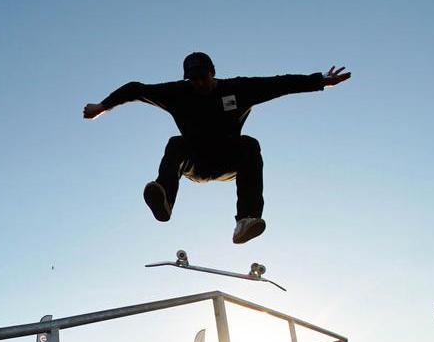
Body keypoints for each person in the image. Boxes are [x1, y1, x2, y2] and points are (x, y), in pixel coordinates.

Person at [82, 52, 351, 244]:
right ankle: (165, 200)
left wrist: (320, 80)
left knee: (250, 145)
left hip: (227, 160)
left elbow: (279, 84)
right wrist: (102, 107)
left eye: (202, 77)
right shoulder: (177, 93)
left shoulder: (238, 89)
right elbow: (135, 89)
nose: (198, 84)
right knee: (176, 143)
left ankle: (246, 219)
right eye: (193, 79)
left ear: (212, 72)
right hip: (195, 163)